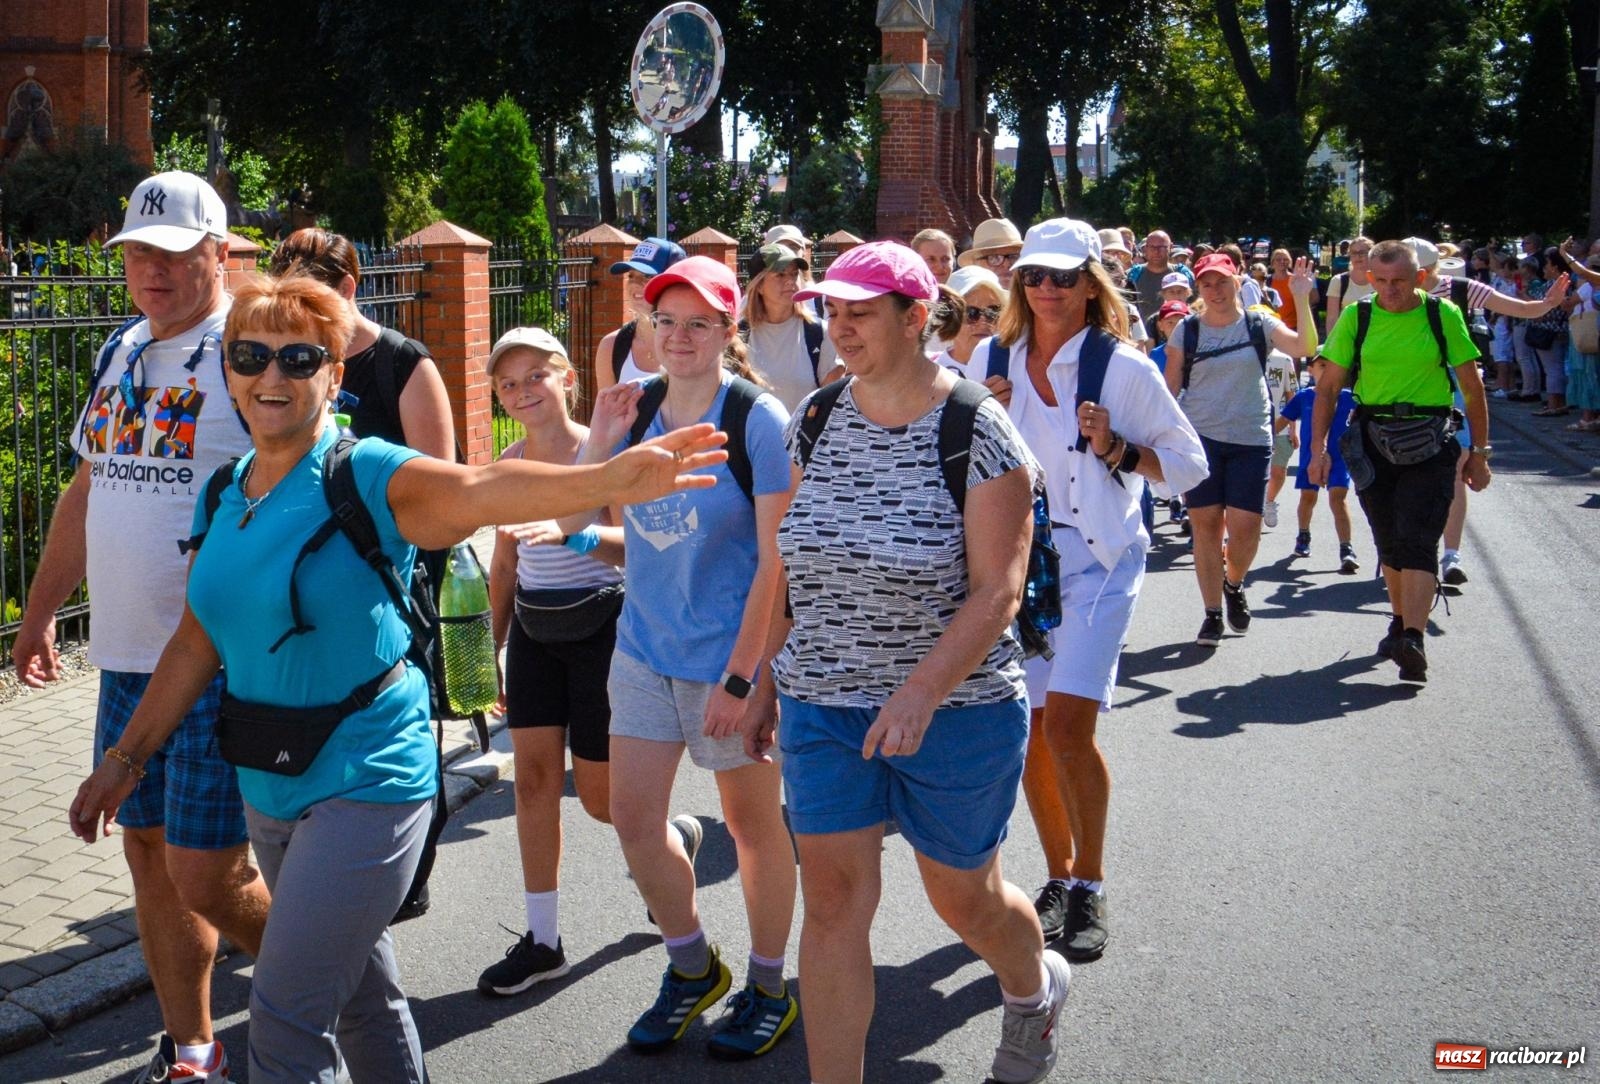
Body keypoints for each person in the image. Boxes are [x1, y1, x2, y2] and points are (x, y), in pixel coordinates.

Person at [68, 273, 727, 1080]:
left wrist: (607, 481)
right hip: (269, 778)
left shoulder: (367, 474)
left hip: (368, 778)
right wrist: (125, 758)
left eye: (298, 357)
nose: (272, 376)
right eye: (251, 355)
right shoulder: (222, 492)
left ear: (333, 375)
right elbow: (196, 640)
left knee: (282, 1022)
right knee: (364, 1000)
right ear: (228, 370)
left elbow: (481, 488)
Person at [777, 241, 1069, 1084]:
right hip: (824, 700)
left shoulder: (978, 428)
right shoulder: (819, 417)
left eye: (859, 312)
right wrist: (757, 676)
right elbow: (789, 557)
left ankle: (1031, 987)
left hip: (958, 708)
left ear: (916, 319)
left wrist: (918, 692)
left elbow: (998, 592)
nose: (840, 327)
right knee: (832, 905)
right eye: (832, 311)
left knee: (963, 899)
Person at [12, 171, 269, 1081]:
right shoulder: (123, 352)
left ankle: (328, 980)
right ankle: (194, 1050)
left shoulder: (249, 352)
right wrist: (40, 614)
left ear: (218, 253)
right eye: (136, 254)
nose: (151, 271)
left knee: (206, 871)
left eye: (171, 253)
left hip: (214, 661)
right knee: (151, 863)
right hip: (123, 658)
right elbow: (87, 491)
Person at [570, 256, 801, 1060]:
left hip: (728, 657)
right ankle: (692, 966)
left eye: (698, 322)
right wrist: (598, 437)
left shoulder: (759, 421)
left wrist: (747, 677)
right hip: (642, 646)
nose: (677, 336)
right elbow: (572, 511)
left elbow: (779, 563)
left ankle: (770, 984)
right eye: (664, 320)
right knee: (632, 820)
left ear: (728, 329)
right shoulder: (637, 410)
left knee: (750, 826)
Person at [968, 219, 1206, 968]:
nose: (1046, 290)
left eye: (1063, 277)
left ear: (1091, 284)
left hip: (1101, 557)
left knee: (1069, 725)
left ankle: (1091, 883)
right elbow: (953, 460)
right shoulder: (990, 356)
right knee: (1032, 729)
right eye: (1034, 275)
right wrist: (985, 411)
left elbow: (1188, 466)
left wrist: (1116, 449)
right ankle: (1061, 875)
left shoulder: (1124, 368)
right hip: (1019, 562)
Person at [477, 327, 626, 997]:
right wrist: (490, 650)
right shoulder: (509, 462)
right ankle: (544, 941)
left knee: (601, 801)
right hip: (537, 631)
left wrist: (574, 529)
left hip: (602, 625)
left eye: (535, 375)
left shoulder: (604, 449)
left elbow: (635, 552)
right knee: (533, 782)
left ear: (566, 377)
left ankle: (663, 840)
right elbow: (505, 563)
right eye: (508, 384)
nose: (522, 391)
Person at [1309, 240, 1491, 683]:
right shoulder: (1359, 316)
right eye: (1382, 281)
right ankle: (1399, 623)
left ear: (1421, 278)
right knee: (1388, 539)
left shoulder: (1440, 315)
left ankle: (1413, 636)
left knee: (1417, 538)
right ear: (1369, 279)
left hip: (1430, 440)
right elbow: (1329, 388)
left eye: (1401, 282)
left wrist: (1480, 454)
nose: (1391, 290)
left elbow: (1471, 387)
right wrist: (1318, 450)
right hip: (1373, 440)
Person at [1164, 252, 1317, 647]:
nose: (1214, 291)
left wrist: (1301, 297)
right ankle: (1212, 613)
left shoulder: (1258, 323)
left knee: (1246, 528)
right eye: (1206, 284)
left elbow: (1303, 347)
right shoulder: (1187, 330)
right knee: (1206, 528)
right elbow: (1169, 388)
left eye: (1222, 282)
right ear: (1199, 288)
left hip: (1251, 438)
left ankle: (1234, 583)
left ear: (1238, 282)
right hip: (1202, 441)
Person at [740, 242, 843, 411]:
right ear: (758, 286)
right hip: (754, 436)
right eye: (780, 275)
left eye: (794, 274)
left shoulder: (820, 334)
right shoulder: (738, 336)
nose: (790, 281)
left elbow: (829, 405)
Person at [1278, 357, 1358, 571]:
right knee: (1308, 497)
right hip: (1309, 457)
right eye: (1321, 365)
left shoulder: (1349, 397)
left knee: (1338, 498)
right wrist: (1264, 441)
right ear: (1310, 369)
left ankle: (1346, 548)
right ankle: (1303, 535)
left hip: (1340, 457)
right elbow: (1284, 420)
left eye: (1332, 365)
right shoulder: (1304, 397)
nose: (1327, 369)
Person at [595, 236, 688, 392]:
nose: (635, 284)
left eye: (647, 277)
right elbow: (605, 414)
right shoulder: (612, 346)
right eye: (631, 276)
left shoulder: (692, 343)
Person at [935, 264, 1007, 374]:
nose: (983, 322)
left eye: (992, 312)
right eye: (971, 313)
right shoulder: (930, 371)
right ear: (949, 317)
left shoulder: (1013, 367)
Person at [1127, 230, 1194, 326]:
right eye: (1152, 247)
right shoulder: (1132, 275)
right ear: (1145, 249)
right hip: (1140, 337)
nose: (1156, 251)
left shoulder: (1184, 275)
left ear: (1170, 247)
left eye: (1161, 247)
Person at [1324, 236, 1375, 335]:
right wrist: (1331, 344)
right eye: (1354, 253)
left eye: (1362, 253)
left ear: (1372, 254)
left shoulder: (1381, 280)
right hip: (1346, 338)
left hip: (1375, 338)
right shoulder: (1338, 281)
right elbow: (1332, 318)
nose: (1358, 256)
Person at [958, 217, 1025, 288]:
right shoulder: (962, 298)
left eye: (1013, 257)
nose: (1006, 264)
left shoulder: (1035, 296)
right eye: (994, 258)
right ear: (976, 264)